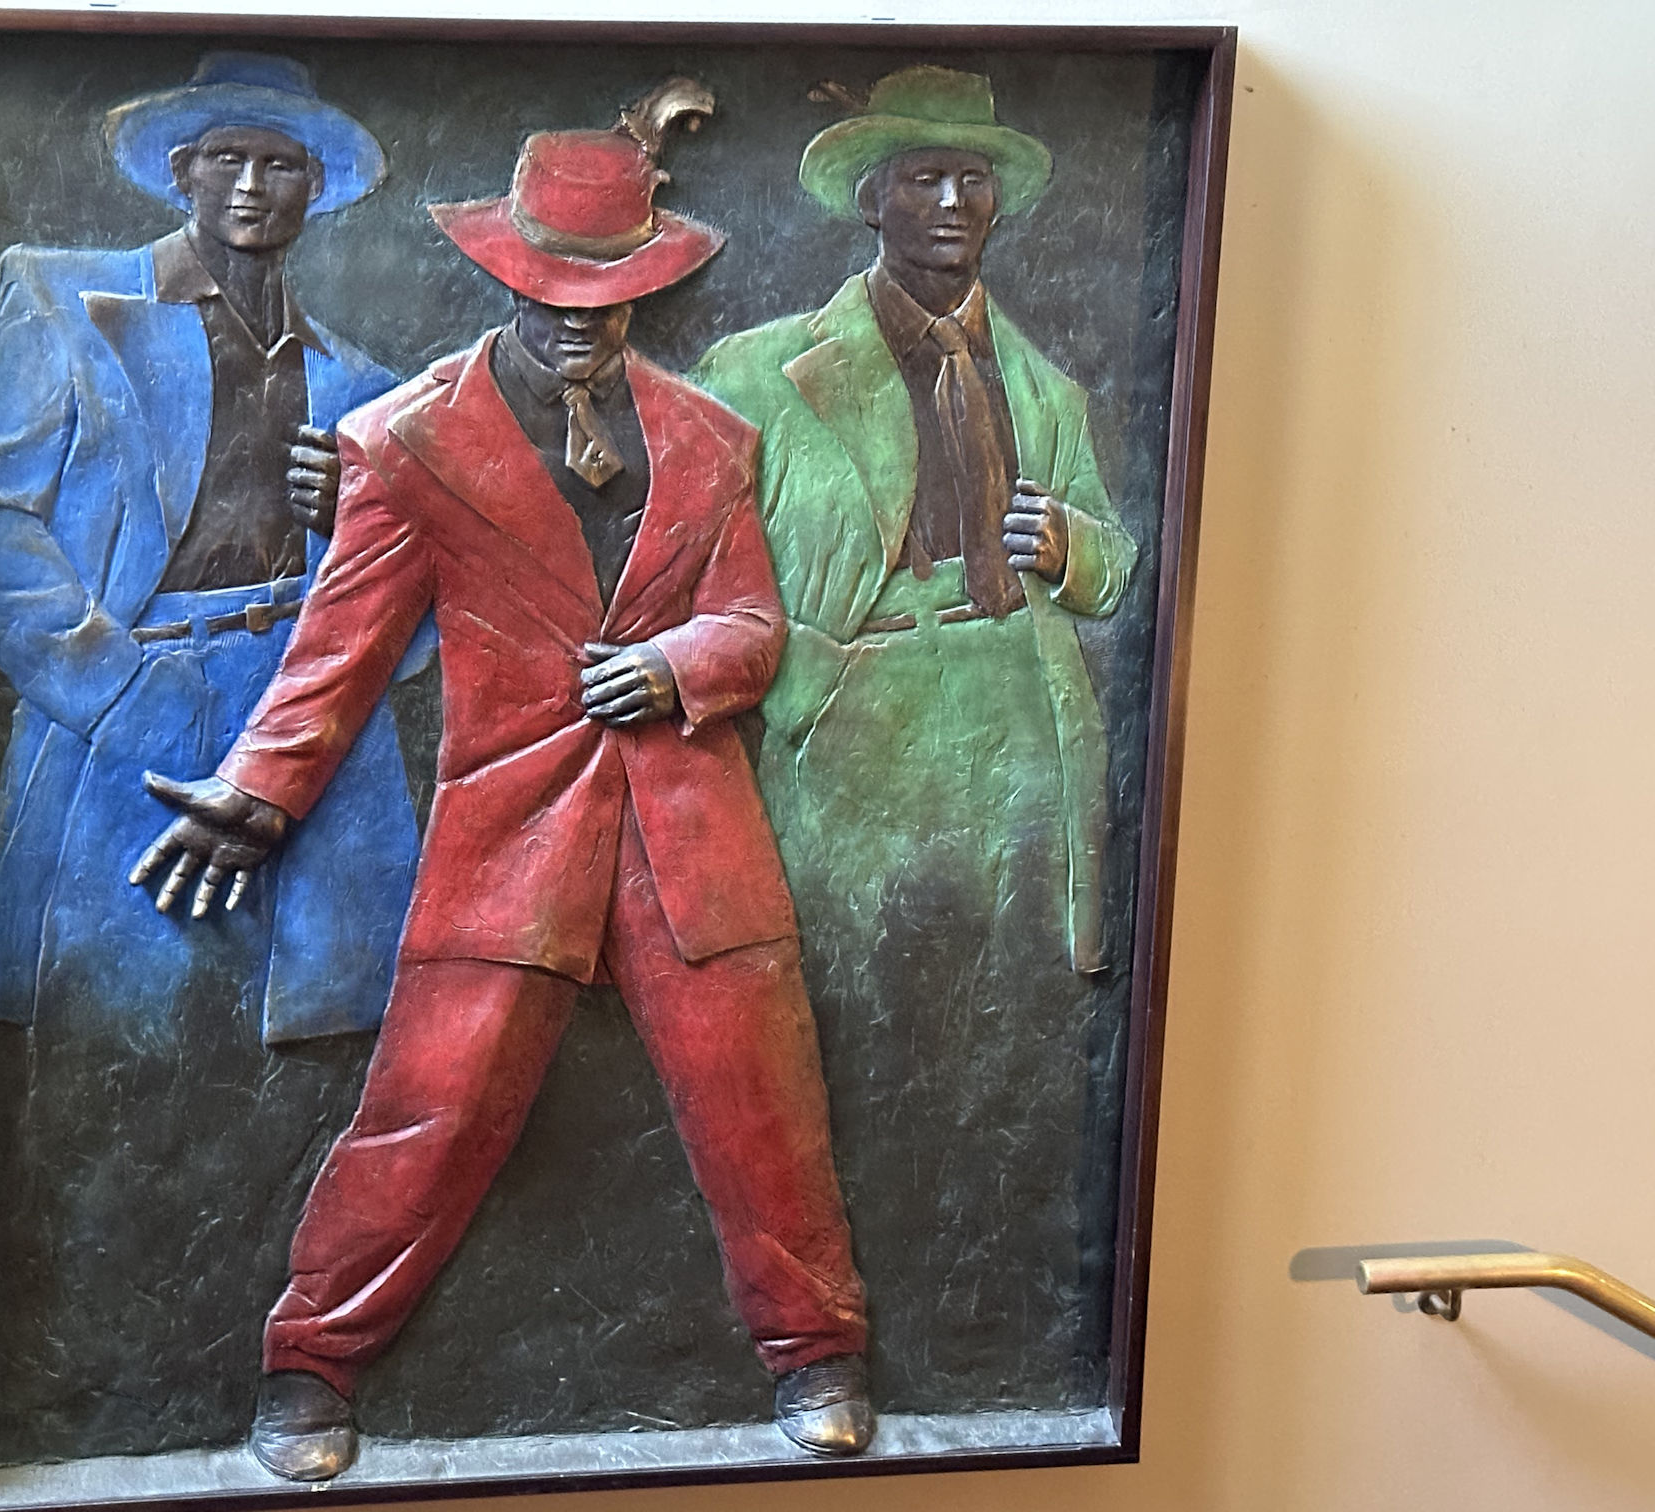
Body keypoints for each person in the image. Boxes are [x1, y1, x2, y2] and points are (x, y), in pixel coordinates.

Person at [134, 85, 873, 1481]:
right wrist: (264, 790)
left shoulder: (713, 440)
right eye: (550, 290)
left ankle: (817, 1350)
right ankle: (312, 1363)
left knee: (764, 1104)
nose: (577, 318)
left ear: (645, 286)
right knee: (432, 1106)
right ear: (502, 272)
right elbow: (341, 644)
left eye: (607, 294)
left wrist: (679, 665)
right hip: (513, 834)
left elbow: (753, 623)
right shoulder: (407, 443)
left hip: (693, 833)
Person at [690, 68, 1138, 1400]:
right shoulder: (761, 370)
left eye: (973, 179)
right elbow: (692, 557)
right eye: (924, 178)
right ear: (871, 198)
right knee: (849, 1031)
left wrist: (1069, 544)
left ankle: (981, 1315)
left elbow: (1118, 566)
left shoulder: (1040, 381)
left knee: (1010, 1033)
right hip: (857, 729)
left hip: (1015, 724)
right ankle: (834, 1323)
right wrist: (796, 695)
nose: (952, 202)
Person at [0, 52, 429, 1050]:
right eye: (226, 157)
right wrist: (113, 687)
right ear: (181, 171)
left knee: (326, 1044)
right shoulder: (68, 305)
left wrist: (361, 519)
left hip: (315, 726)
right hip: (136, 702)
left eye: (279, 164)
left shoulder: (364, 385)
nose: (250, 185)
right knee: (125, 1038)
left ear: (315, 187)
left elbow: (415, 604)